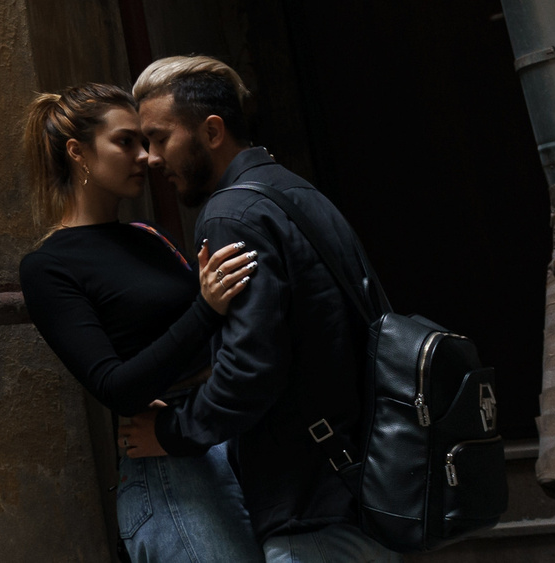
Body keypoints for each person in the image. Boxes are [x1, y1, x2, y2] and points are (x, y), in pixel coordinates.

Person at [125, 57, 399, 563]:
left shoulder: (231, 214)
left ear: (211, 131)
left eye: (160, 138)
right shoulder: (296, 191)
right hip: (359, 482)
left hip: (310, 501)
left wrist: (171, 432)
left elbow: (252, 367)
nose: (150, 159)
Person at [20, 83, 264, 563]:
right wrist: (206, 309)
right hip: (169, 466)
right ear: (78, 152)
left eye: (146, 142)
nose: (147, 157)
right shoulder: (49, 266)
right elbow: (115, 386)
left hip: (219, 430)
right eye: (126, 142)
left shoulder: (147, 236)